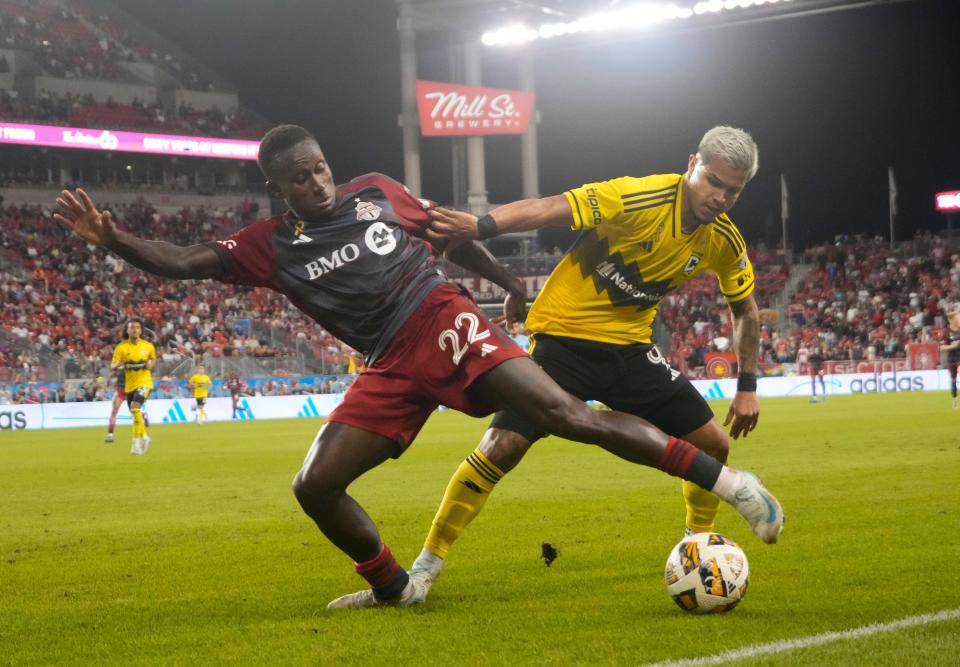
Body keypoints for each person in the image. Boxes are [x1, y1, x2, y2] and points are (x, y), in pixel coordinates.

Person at [54, 124, 782, 611]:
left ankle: (730, 483)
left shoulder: (376, 191)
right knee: (315, 482)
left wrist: (507, 282)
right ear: (279, 187)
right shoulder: (268, 244)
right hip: (386, 362)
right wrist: (110, 236)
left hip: (440, 316)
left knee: (564, 414)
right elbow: (183, 261)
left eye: (320, 168)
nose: (319, 182)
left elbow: (448, 237)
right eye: (301, 179)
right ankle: (396, 586)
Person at [409, 126, 772, 595]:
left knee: (714, 445)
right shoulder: (637, 198)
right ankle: (424, 568)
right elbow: (548, 208)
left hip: (629, 351)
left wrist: (747, 385)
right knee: (501, 447)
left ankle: (696, 549)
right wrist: (480, 226)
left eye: (733, 190)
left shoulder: (724, 240)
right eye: (713, 181)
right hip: (561, 342)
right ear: (691, 165)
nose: (720, 196)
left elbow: (745, 308)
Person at [110, 318, 156, 454]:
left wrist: (150, 365)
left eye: (137, 327)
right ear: (127, 330)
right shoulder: (121, 347)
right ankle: (145, 436)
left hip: (144, 383)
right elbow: (112, 365)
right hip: (129, 386)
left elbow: (153, 359)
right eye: (131, 327)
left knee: (135, 408)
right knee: (135, 413)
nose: (134, 329)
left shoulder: (148, 346)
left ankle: (135, 443)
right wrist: (118, 364)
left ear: (141, 330)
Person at [940, 310, 960, 409]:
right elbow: (942, 347)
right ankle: (955, 399)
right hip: (952, 358)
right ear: (951, 320)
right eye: (957, 317)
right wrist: (952, 346)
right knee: (953, 380)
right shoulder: (946, 332)